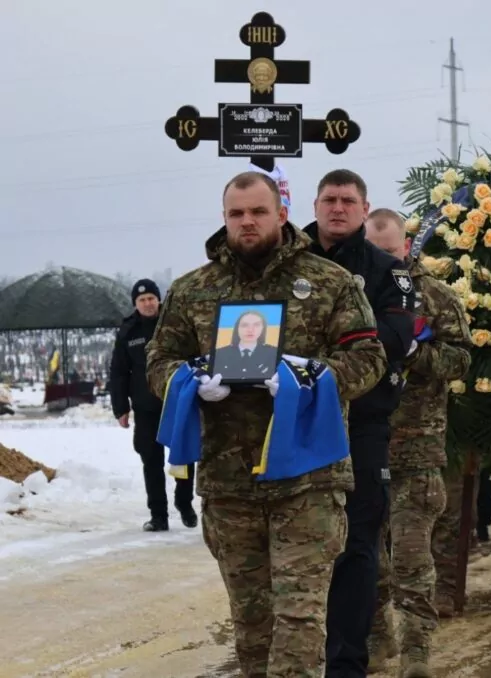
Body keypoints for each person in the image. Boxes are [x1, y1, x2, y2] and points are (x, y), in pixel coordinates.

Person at [145, 171, 387, 678]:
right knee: (252, 626)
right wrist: (189, 381)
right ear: (224, 217)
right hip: (229, 481)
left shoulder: (329, 282)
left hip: (308, 480)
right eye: (237, 214)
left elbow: (369, 357)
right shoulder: (193, 290)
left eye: (258, 211)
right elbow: (159, 359)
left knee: (299, 621)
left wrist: (312, 379)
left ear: (281, 213)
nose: (247, 222)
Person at [303, 170, 416, 678]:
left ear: (364, 208)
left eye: (348, 201)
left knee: (357, 542)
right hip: (293, 420)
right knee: (297, 544)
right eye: (329, 199)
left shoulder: (388, 273)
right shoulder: (291, 258)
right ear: (316, 203)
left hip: (361, 422)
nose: (338, 208)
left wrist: (315, 357)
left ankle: (346, 662)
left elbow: (392, 338)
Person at [364, 208, 471, 677]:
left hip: (418, 451)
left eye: (390, 251)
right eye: (374, 252)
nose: (384, 260)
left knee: (410, 558)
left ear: (407, 246)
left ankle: (417, 653)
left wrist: (417, 352)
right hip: (364, 448)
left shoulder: (437, 297)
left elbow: (462, 360)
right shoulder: (354, 293)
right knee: (367, 560)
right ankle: (376, 637)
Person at [110, 279, 196, 532]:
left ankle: (185, 503)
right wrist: (120, 408)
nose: (147, 304)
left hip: (177, 403)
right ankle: (158, 515)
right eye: (142, 300)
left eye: (151, 298)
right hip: (145, 407)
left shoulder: (174, 324)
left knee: (184, 457)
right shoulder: (129, 331)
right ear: (135, 304)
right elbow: (119, 372)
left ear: (158, 300)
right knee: (151, 461)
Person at [213, 309, 278, 381]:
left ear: (263, 328)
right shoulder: (220, 353)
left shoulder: (273, 353)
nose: (250, 330)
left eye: (256, 325)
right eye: (244, 325)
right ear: (237, 328)